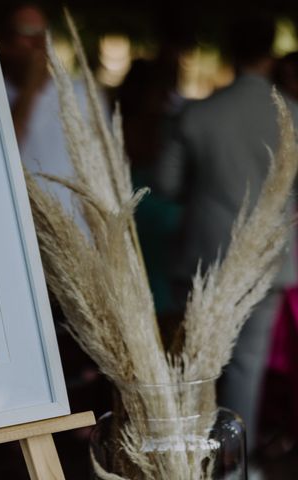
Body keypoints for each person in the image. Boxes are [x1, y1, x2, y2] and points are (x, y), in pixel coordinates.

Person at [155, 13, 298, 448]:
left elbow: (165, 183)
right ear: (271, 53)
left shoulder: (199, 113)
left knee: (196, 367)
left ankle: (191, 462)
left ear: (231, 52)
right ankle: (240, 466)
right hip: (267, 261)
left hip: (205, 257)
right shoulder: (293, 114)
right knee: (246, 367)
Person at [0, 3, 90, 235]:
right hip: (21, 232)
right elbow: (1, 153)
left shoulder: (79, 93)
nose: (38, 44)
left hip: (75, 233)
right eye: (27, 34)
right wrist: (29, 90)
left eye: (42, 34)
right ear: (4, 42)